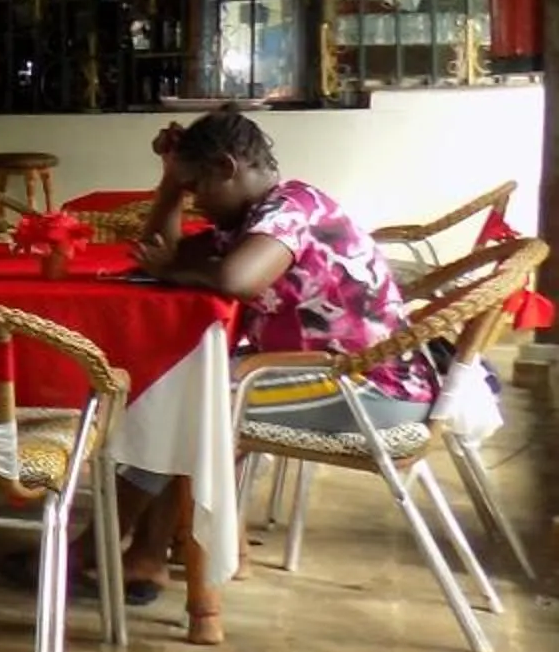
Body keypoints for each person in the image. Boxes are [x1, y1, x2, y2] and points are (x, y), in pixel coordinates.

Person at [118, 105, 432, 618]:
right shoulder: (250, 219)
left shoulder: (291, 209)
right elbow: (157, 251)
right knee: (187, 390)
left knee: (188, 402)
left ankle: (108, 548)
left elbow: (235, 280)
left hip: (372, 391)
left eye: (197, 188)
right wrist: (170, 183)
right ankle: (143, 553)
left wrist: (176, 271)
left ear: (226, 168)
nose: (196, 202)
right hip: (330, 378)